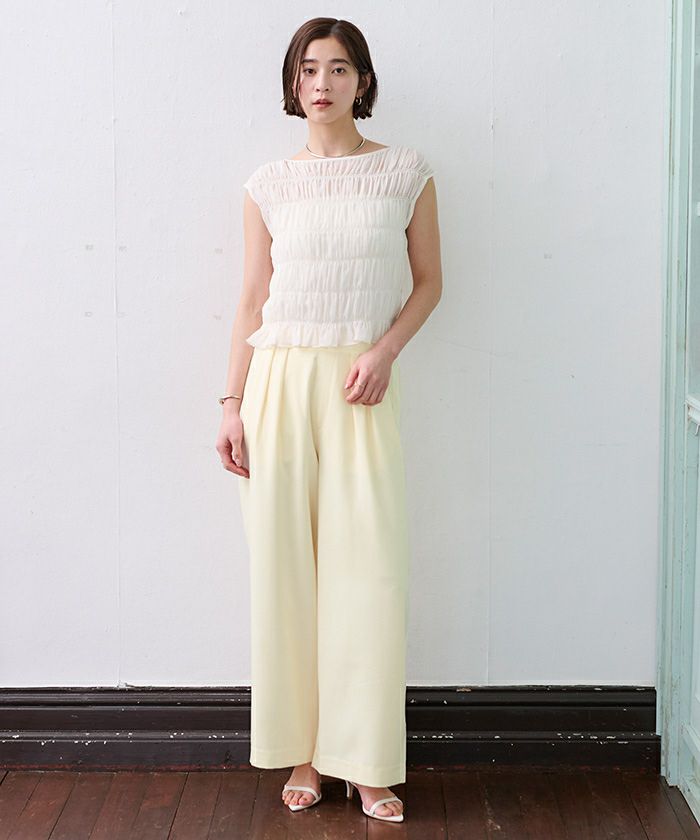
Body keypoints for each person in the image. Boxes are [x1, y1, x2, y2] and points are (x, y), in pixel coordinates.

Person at [216, 16, 442, 824]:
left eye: (339, 68)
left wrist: (384, 352)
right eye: (309, 69)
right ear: (293, 83)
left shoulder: (406, 172)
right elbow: (251, 299)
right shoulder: (267, 184)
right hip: (277, 381)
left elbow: (429, 282)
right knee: (287, 574)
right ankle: (306, 754)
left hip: (359, 383)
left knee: (368, 571)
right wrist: (232, 403)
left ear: (362, 82)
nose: (323, 83)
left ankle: (367, 762)